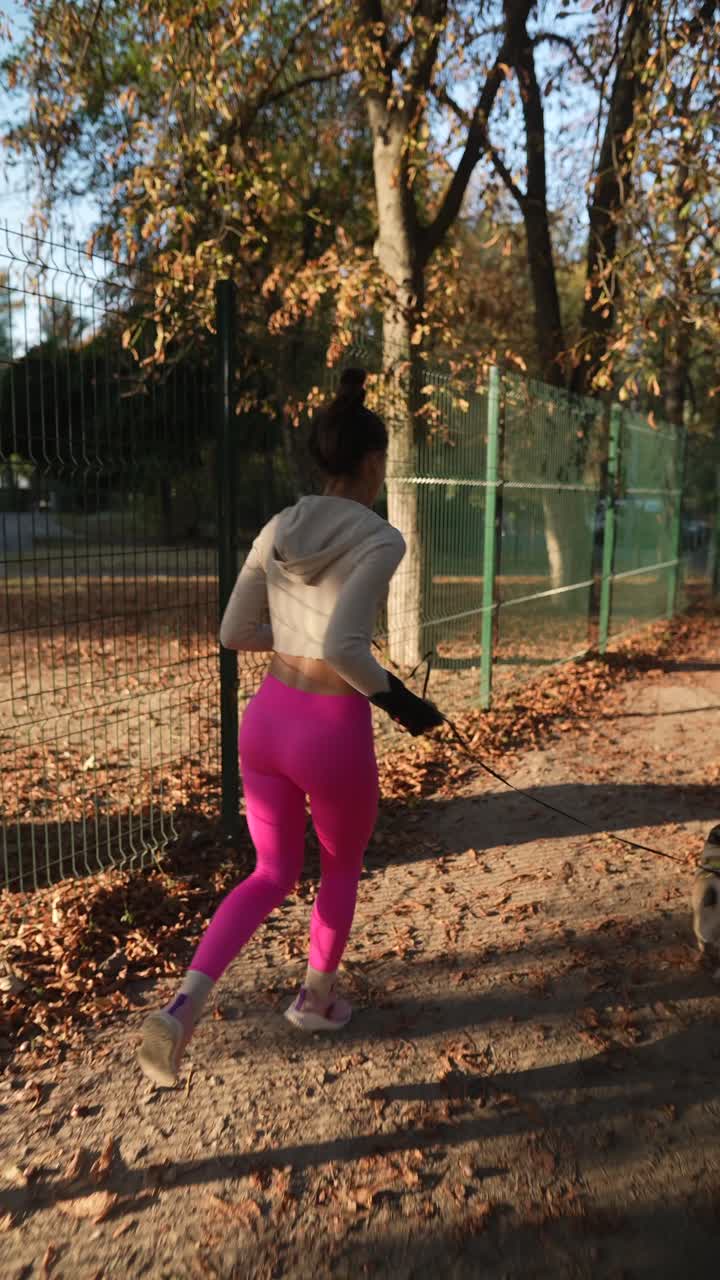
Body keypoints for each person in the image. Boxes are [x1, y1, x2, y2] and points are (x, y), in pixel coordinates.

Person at [138, 368, 442, 1086]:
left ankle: (182, 1008)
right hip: (331, 730)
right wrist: (403, 703)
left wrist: (295, 636)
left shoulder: (278, 524)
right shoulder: (380, 537)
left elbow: (233, 629)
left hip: (267, 721)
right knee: (339, 866)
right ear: (373, 463)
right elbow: (345, 648)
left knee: (269, 872)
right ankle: (315, 998)